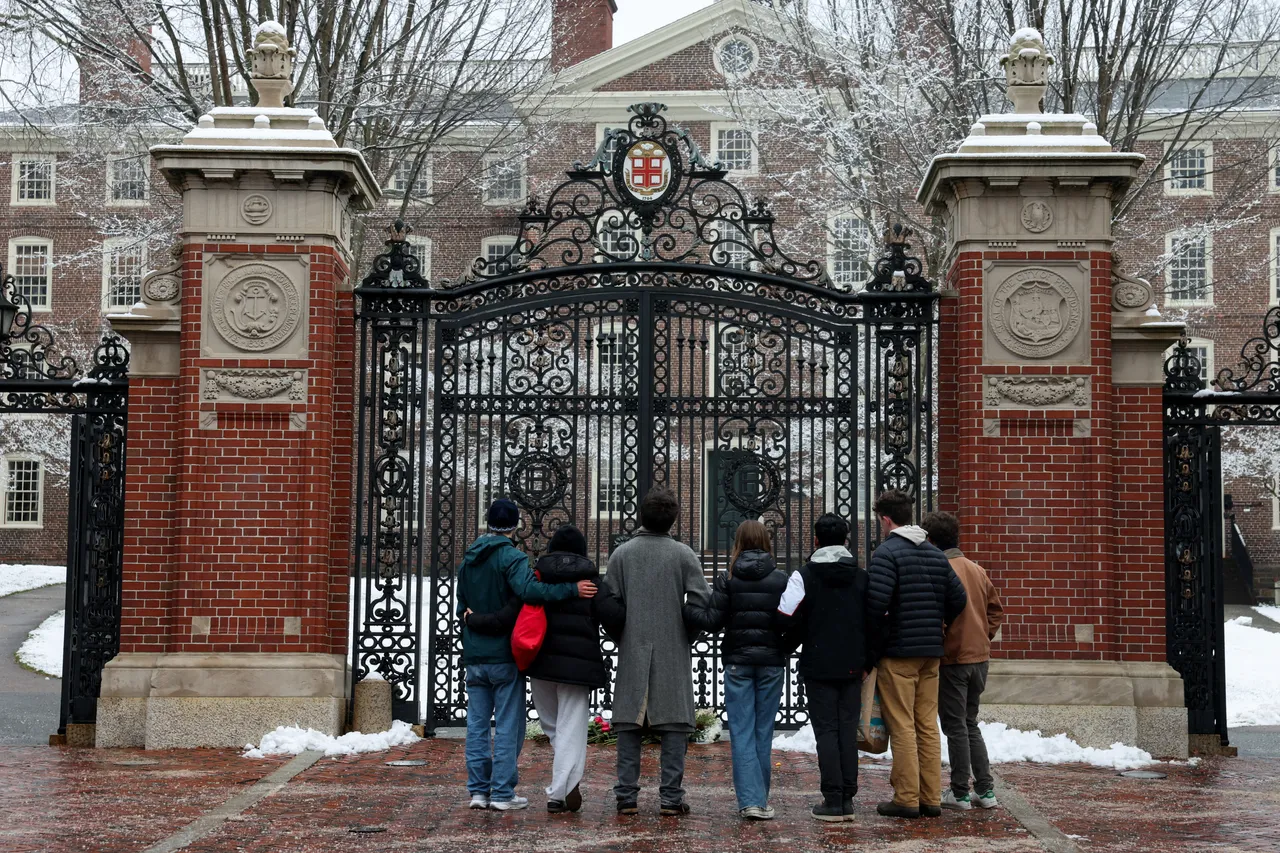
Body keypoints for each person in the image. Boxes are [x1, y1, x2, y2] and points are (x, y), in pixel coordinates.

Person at [455, 499, 597, 812]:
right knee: (508, 725)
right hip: (505, 655)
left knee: (477, 726)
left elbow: (461, 607)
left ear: (487, 523)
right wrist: (571, 591)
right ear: (516, 526)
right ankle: (503, 793)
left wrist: (472, 623)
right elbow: (532, 593)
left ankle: (478, 792)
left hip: (475, 657)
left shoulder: (467, 560)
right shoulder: (512, 557)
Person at [596, 486, 712, 816]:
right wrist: (686, 633)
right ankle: (671, 799)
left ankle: (627, 797)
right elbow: (701, 601)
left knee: (629, 724)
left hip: (633, 646)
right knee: (675, 724)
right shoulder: (684, 555)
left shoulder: (623, 554)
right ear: (673, 520)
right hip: (672, 648)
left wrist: (621, 633)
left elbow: (610, 604)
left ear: (641, 515)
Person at [865, 489, 967, 820]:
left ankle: (907, 798)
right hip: (930, 654)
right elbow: (959, 599)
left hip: (899, 652)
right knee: (926, 724)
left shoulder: (887, 553)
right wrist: (940, 624)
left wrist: (878, 641)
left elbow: (875, 605)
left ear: (886, 519)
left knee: (902, 725)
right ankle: (930, 796)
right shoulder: (936, 555)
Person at [684, 520, 789, 821]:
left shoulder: (727, 578)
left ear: (738, 542)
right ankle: (760, 798)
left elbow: (713, 621)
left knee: (741, 731)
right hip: (770, 662)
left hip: (738, 661)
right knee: (763, 731)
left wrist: (685, 608)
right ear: (767, 542)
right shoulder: (781, 578)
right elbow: (791, 620)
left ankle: (751, 801)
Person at [776, 512, 876, 823]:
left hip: (818, 664)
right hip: (852, 666)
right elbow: (875, 623)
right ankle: (847, 794)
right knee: (847, 729)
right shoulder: (861, 577)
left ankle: (833, 799)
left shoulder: (803, 575)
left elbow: (784, 615)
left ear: (816, 540)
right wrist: (867, 661)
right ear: (846, 541)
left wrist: (792, 640)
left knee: (826, 731)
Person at [920, 511, 1004, 812]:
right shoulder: (976, 569)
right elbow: (996, 610)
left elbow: (939, 614)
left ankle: (960, 792)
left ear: (930, 539)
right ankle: (985, 789)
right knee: (970, 724)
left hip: (954, 658)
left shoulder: (940, 568)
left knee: (955, 726)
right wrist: (984, 635)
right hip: (979, 657)